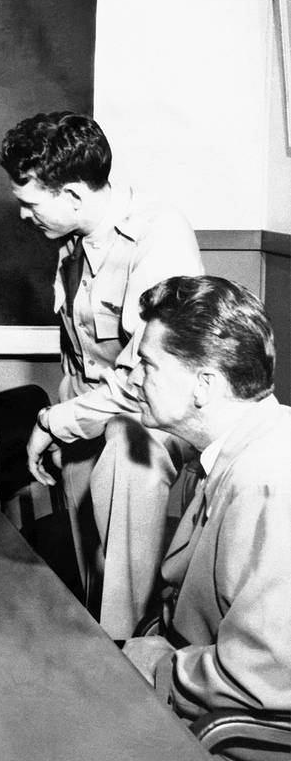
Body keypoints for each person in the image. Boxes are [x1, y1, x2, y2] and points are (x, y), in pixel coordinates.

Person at [0, 111, 203, 639]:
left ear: (70, 195)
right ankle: (102, 641)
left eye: (29, 203)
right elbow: (80, 358)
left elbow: (145, 372)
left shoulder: (159, 233)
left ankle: (126, 655)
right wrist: (66, 420)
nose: (23, 216)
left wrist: (57, 420)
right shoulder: (70, 242)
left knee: (127, 460)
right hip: (92, 409)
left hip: (150, 410)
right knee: (94, 566)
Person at [122, 276, 291, 743]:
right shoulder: (241, 444)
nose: (133, 378)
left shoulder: (268, 481)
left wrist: (162, 667)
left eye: (148, 365)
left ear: (204, 385)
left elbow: (261, 678)